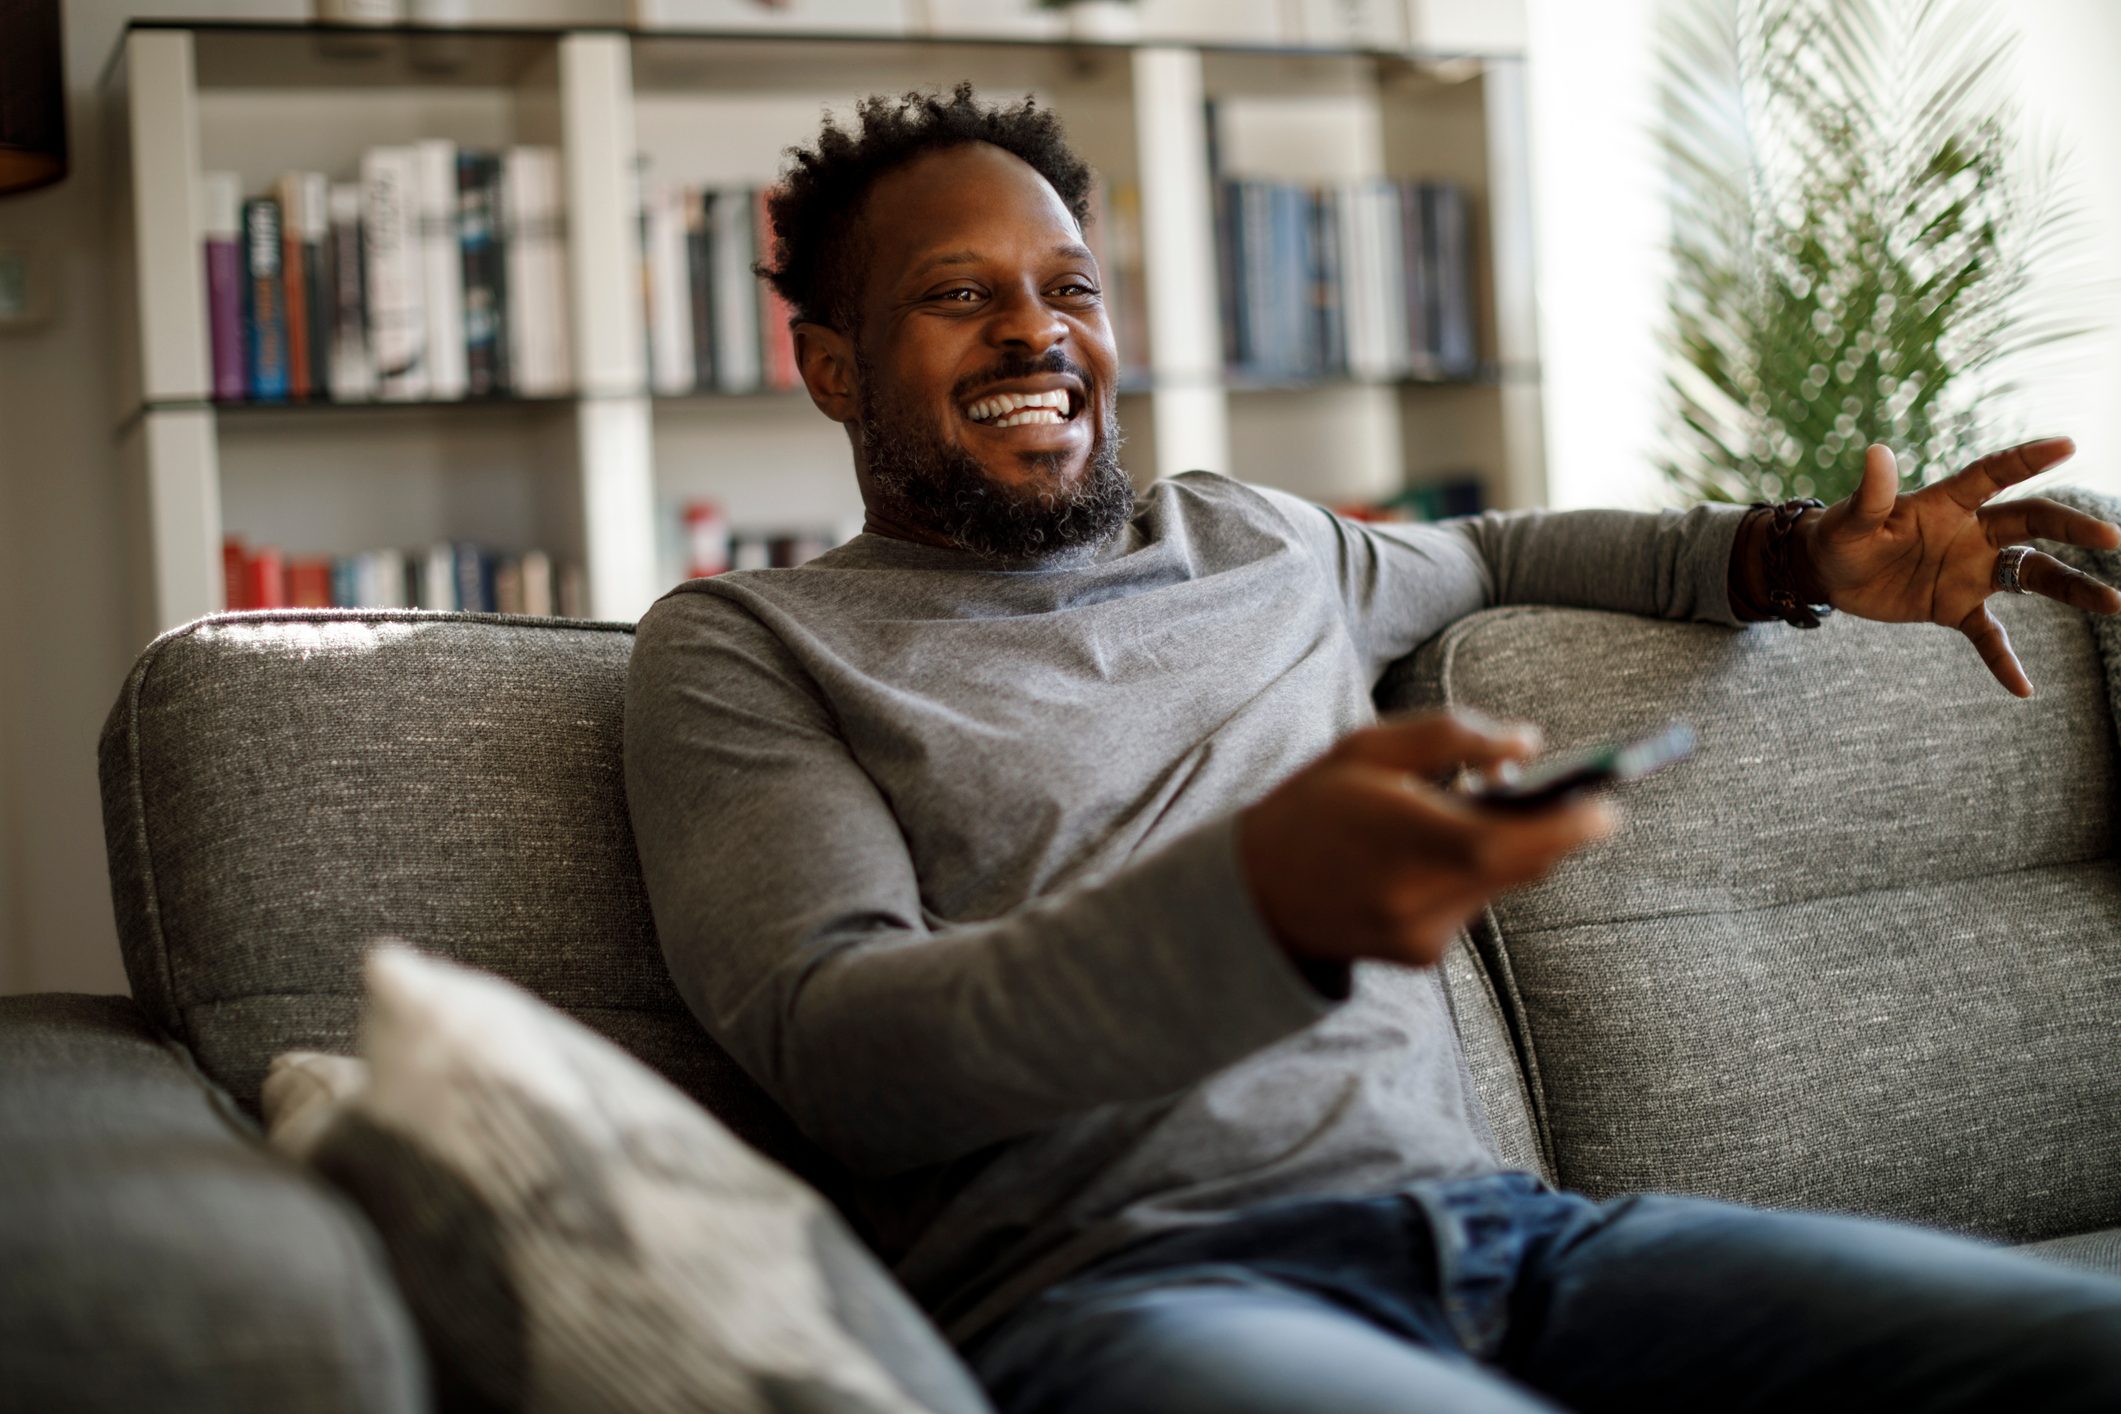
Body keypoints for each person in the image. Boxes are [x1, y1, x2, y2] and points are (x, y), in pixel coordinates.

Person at [621, 84, 2121, 1412]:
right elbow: (841, 1046)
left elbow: (1495, 549)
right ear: (830, 366)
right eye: (960, 295)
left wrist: (1802, 555)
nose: (1036, 330)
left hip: (1515, 1239)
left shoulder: (1255, 538)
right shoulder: (747, 646)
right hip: (1135, 1292)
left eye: (1069, 287)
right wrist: (1250, 912)